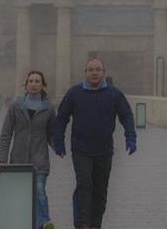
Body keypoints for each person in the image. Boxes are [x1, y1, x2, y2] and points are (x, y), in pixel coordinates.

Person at [54, 58, 137, 229]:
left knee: (100, 190)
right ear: (85, 73)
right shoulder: (74, 93)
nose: (94, 72)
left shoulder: (114, 94)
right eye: (91, 69)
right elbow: (62, 117)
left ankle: (95, 224)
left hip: (104, 150)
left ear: (103, 73)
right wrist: (58, 141)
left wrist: (131, 137)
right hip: (81, 149)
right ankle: (82, 223)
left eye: (98, 69)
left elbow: (126, 115)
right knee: (84, 185)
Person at [0, 70, 56, 229]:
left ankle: (45, 222)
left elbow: (52, 134)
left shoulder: (49, 108)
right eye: (31, 81)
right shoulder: (16, 105)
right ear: (26, 84)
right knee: (21, 196)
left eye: (37, 81)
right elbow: (6, 133)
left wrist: (59, 147)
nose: (33, 84)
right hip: (19, 159)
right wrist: (2, 158)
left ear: (42, 85)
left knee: (39, 191)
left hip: (40, 159)